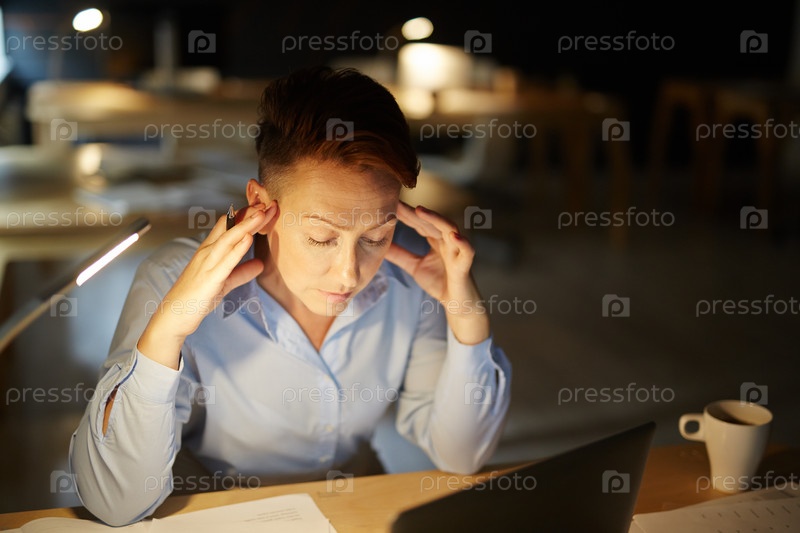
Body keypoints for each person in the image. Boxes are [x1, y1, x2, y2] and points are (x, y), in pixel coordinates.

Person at [69, 66, 512, 526]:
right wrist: (168, 334)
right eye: (321, 238)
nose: (349, 273)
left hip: (354, 512)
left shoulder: (413, 276)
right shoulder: (172, 282)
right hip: (219, 515)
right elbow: (115, 503)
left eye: (375, 236)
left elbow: (462, 455)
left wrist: (466, 314)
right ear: (261, 205)